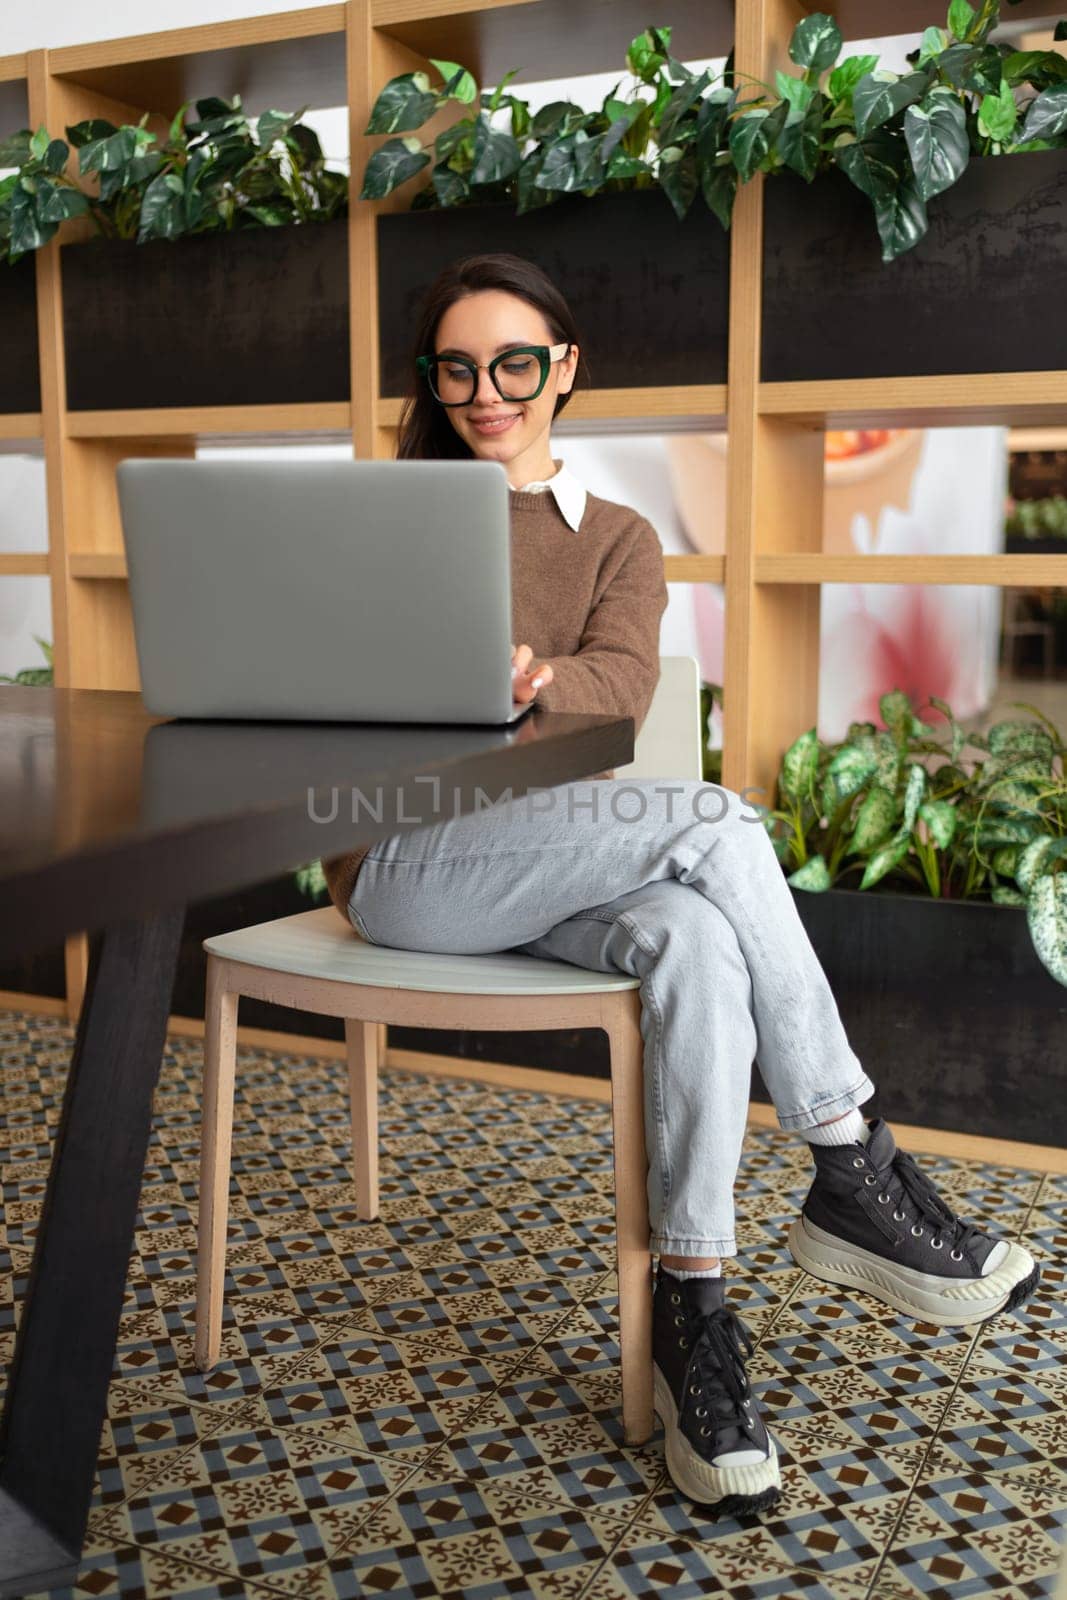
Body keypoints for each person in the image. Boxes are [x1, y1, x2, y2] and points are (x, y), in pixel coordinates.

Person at [321, 252, 1039, 1519]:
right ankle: (848, 1161)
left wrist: (533, 680)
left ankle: (694, 1314)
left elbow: (622, 686)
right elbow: (328, 692)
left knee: (697, 939)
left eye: (512, 364)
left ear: (563, 370)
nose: (483, 392)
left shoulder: (616, 537)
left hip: (552, 856)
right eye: (455, 368)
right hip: (404, 859)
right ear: (429, 383)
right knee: (711, 820)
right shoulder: (385, 517)